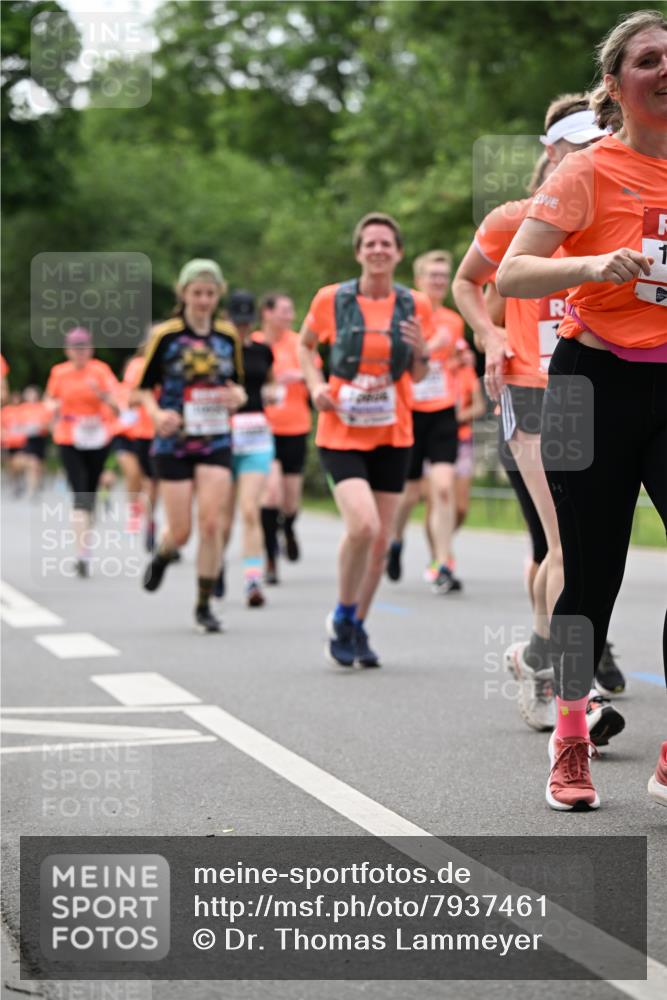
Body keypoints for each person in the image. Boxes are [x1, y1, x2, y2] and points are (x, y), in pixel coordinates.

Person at [496, 9, 667, 809]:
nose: (664, 68)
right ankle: (569, 739)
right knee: (590, 573)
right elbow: (511, 275)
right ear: (614, 83)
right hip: (586, 384)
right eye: (648, 58)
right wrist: (595, 262)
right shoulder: (587, 172)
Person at [452, 93, 625, 738]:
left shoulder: (620, 217)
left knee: (565, 550)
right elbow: (467, 284)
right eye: (575, 145)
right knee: (565, 548)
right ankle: (579, 702)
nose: (586, 154)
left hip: (590, 391)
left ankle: (534, 657)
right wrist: (491, 338)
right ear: (551, 153)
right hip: (528, 392)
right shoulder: (512, 221)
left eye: (595, 142)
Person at [299, 212, 431, 668]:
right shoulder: (331, 300)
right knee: (364, 526)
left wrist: (420, 351)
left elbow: (418, 373)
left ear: (398, 253)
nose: (378, 250)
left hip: (394, 431)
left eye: (386, 244)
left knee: (381, 542)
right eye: (369, 243)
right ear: (358, 252)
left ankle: (356, 624)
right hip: (341, 431)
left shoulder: (415, 304)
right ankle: (341, 611)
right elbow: (305, 345)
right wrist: (315, 384)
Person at [139, 259, 246, 632]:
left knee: (213, 522)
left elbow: (238, 385)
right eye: (196, 293)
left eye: (210, 293)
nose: (203, 300)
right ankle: (164, 553)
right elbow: (141, 388)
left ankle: (203, 605)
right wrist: (155, 414)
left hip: (215, 437)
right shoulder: (165, 336)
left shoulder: (227, 337)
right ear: (182, 294)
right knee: (182, 530)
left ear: (219, 295)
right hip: (174, 441)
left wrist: (237, 396)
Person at [386, 250, 464, 592]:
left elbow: (454, 357)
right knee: (408, 493)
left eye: (443, 276)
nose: (438, 281)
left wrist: (461, 356)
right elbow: (400, 360)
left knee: (444, 488)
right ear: (418, 280)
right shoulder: (405, 317)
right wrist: (432, 347)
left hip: (443, 411)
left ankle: (443, 563)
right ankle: (395, 538)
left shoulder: (453, 319)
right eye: (432, 275)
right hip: (411, 412)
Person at [44, 327, 119, 577]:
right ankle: (82, 553)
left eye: (84, 347)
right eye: (75, 348)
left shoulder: (100, 371)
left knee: (91, 492)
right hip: (69, 435)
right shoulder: (59, 372)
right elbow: (49, 399)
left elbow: (116, 401)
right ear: (67, 350)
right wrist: (53, 407)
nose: (80, 353)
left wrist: (101, 394)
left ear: (91, 349)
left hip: (97, 434)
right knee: (80, 492)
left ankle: (84, 542)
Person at [254, 293, 316, 584]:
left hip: (295, 427)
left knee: (290, 501)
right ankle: (269, 558)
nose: (289, 316)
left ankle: (288, 526)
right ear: (267, 313)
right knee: (271, 495)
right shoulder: (254, 344)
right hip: (262, 430)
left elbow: (316, 374)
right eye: (284, 311)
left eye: (291, 311)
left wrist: (301, 376)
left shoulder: (298, 343)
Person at [223, 290, 276, 608]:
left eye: (246, 322)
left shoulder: (262, 350)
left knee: (249, 509)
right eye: (236, 321)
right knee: (220, 516)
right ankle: (213, 568)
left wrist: (271, 391)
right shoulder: (215, 351)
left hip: (256, 435)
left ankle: (252, 580)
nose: (242, 328)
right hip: (222, 437)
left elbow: (269, 381)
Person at [110, 347, 158, 545]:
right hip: (127, 434)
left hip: (151, 433)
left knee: (151, 482)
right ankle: (134, 513)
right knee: (132, 474)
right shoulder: (135, 368)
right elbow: (129, 397)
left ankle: (149, 520)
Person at [451, 342, 485, 553]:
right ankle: (441, 553)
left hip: (462, 441)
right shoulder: (437, 371)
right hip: (434, 441)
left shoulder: (467, 374)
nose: (462, 357)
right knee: (439, 500)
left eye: (463, 353)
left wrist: (457, 418)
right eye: (458, 353)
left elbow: (479, 406)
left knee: (461, 508)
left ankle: (443, 540)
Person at [17, 386, 51, 497]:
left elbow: (48, 424)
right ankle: (31, 489)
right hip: (27, 439)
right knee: (32, 463)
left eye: (33, 394)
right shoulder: (22, 408)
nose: (31, 396)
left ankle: (38, 482)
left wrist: (40, 426)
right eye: (28, 394)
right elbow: (17, 424)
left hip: (40, 439)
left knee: (39, 464)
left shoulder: (42, 407)